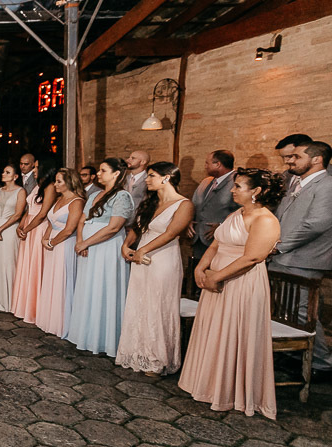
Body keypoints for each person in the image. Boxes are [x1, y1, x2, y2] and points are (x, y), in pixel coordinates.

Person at [179, 169, 283, 419]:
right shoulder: (236, 214)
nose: (233, 190)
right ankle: (208, 384)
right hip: (216, 279)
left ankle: (230, 391)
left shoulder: (265, 220)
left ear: (256, 191)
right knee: (215, 330)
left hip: (241, 283)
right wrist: (201, 268)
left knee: (234, 332)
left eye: (238, 186)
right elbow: (216, 243)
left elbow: (253, 258)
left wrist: (216, 276)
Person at [116, 162, 193, 375]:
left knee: (158, 305)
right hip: (141, 258)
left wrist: (144, 250)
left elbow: (171, 233)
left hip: (163, 260)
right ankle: (137, 353)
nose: (147, 180)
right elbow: (138, 227)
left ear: (166, 177)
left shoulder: (184, 204)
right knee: (140, 303)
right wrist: (126, 245)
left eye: (151, 176)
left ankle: (157, 359)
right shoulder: (151, 202)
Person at [270, 141, 332, 372]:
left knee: (304, 313)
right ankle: (295, 355)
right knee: (286, 312)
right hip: (284, 258)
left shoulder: (327, 185)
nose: (290, 160)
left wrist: (279, 246)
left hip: (305, 259)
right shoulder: (296, 183)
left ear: (316, 159)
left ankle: (323, 364)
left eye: (296, 156)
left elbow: (316, 224)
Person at [66, 158, 134, 357]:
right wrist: (80, 240)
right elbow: (82, 220)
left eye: (103, 170)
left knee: (103, 287)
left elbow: (113, 227)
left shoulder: (122, 196)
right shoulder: (95, 195)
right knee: (88, 287)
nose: (98, 174)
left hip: (106, 248)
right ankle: (85, 334)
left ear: (116, 174)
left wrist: (86, 242)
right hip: (88, 248)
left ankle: (104, 338)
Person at [36, 169, 85, 338]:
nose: (55, 184)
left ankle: (63, 323)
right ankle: (49, 319)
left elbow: (69, 229)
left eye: (59, 181)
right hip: (52, 244)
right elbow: (51, 222)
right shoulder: (59, 199)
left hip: (65, 244)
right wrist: (45, 238)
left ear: (69, 182)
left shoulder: (77, 202)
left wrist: (52, 242)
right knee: (51, 279)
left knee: (63, 281)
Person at [12, 166, 58, 323]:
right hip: (29, 225)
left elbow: (43, 213)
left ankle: (35, 309)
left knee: (36, 264)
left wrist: (27, 229)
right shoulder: (38, 186)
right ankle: (24, 305)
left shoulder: (50, 187)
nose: (34, 169)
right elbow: (29, 209)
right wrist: (21, 225)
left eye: (37, 167)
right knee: (27, 264)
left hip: (39, 228)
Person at [0, 164, 27, 311]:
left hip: (9, 230)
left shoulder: (21, 191)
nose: (3, 174)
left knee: (9, 263)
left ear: (15, 176)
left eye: (7, 172)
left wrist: (0, 229)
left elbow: (18, 214)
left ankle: (10, 301)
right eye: (3, 171)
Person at [190, 150, 237, 266]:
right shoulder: (206, 182)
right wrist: (189, 221)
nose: (205, 166)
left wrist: (222, 225)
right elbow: (194, 205)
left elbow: (242, 211)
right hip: (198, 238)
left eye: (207, 163)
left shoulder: (236, 182)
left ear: (218, 164)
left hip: (220, 242)